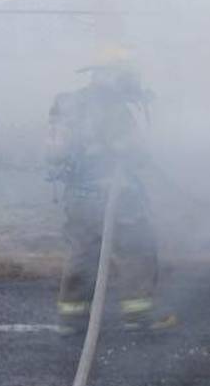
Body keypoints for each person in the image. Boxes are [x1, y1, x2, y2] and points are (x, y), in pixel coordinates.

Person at [47, 49, 174, 333]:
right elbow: (131, 150)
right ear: (113, 74)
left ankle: (71, 318)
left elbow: (55, 151)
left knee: (83, 253)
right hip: (115, 195)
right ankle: (138, 316)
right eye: (127, 73)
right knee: (137, 248)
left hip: (78, 195)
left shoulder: (69, 102)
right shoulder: (113, 108)